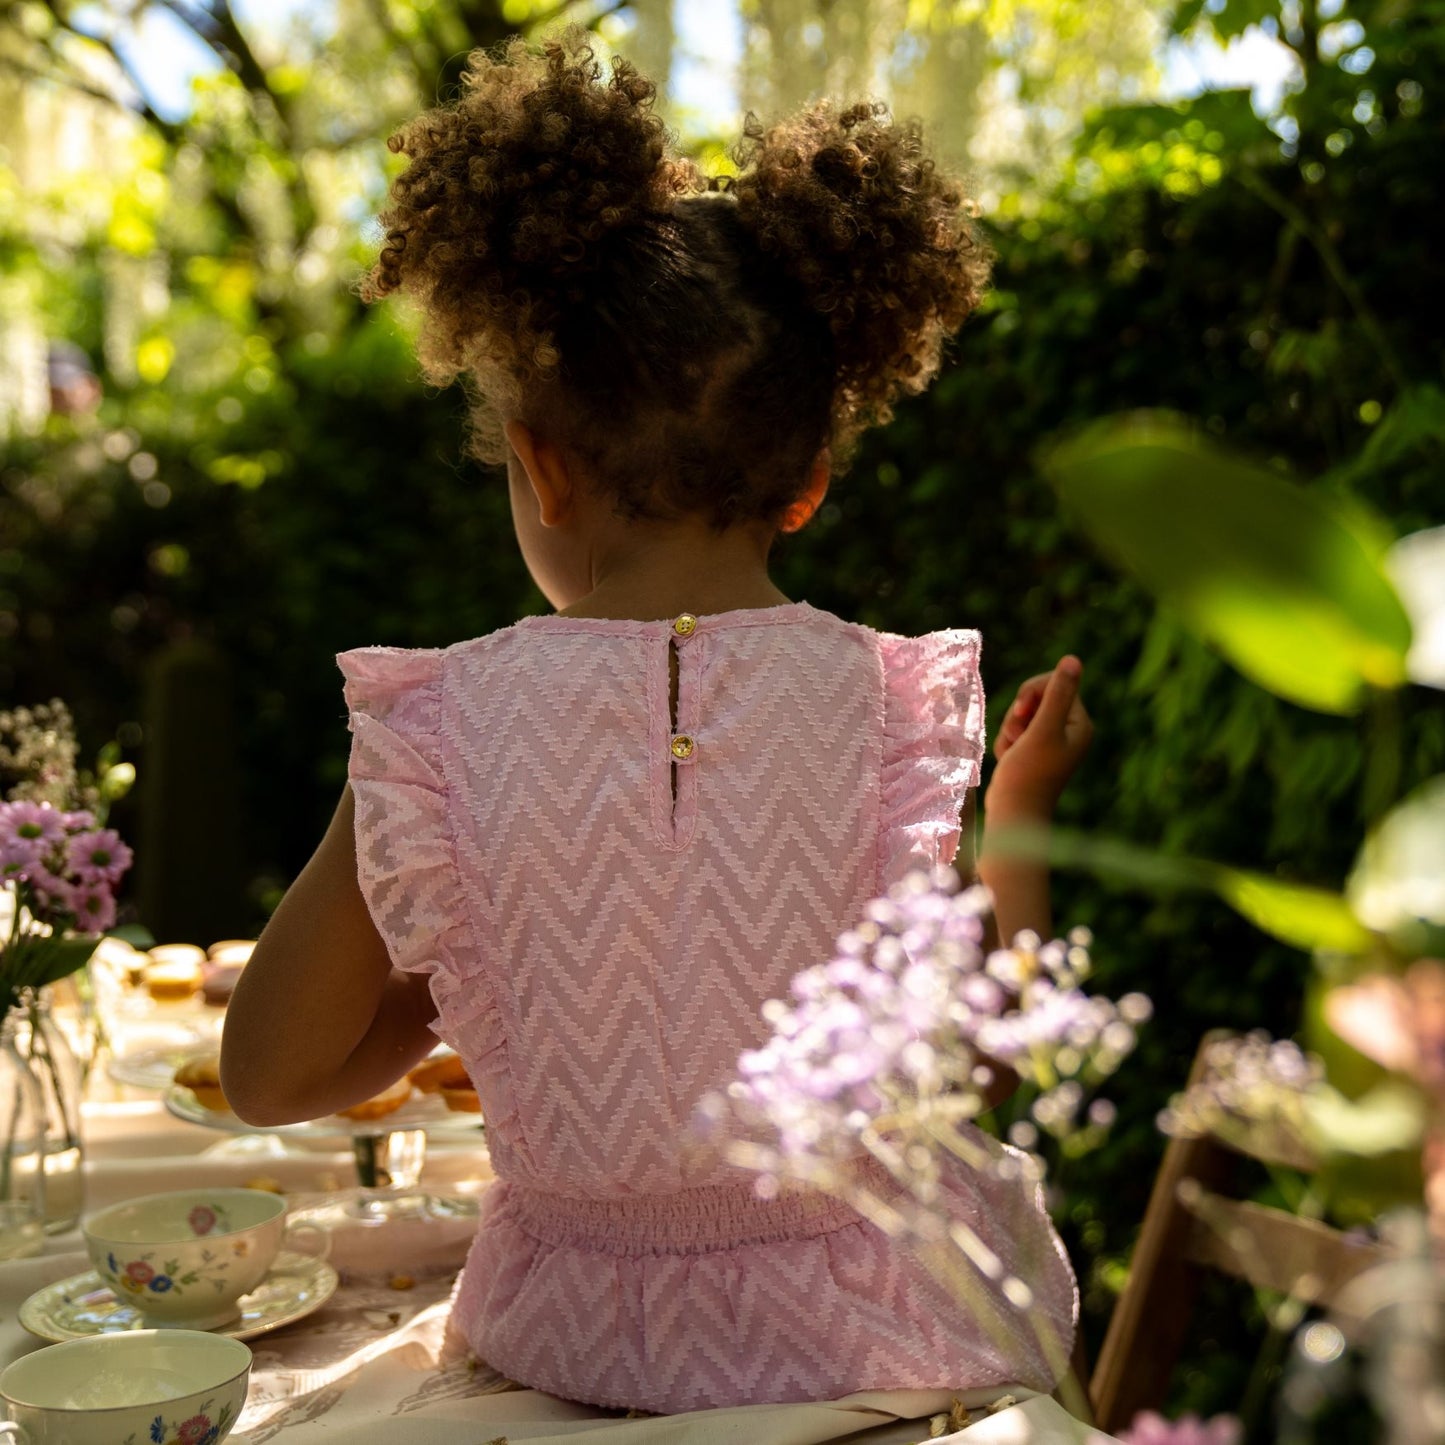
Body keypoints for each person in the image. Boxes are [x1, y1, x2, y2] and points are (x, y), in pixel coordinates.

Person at [221, 31, 1093, 1416]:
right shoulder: (888, 711)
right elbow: (1000, 1052)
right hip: (872, 1355)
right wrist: (1022, 809)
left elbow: (269, 1073)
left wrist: (441, 955)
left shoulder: (435, 728)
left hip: (566, 1350)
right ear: (806, 481)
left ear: (542, 468)